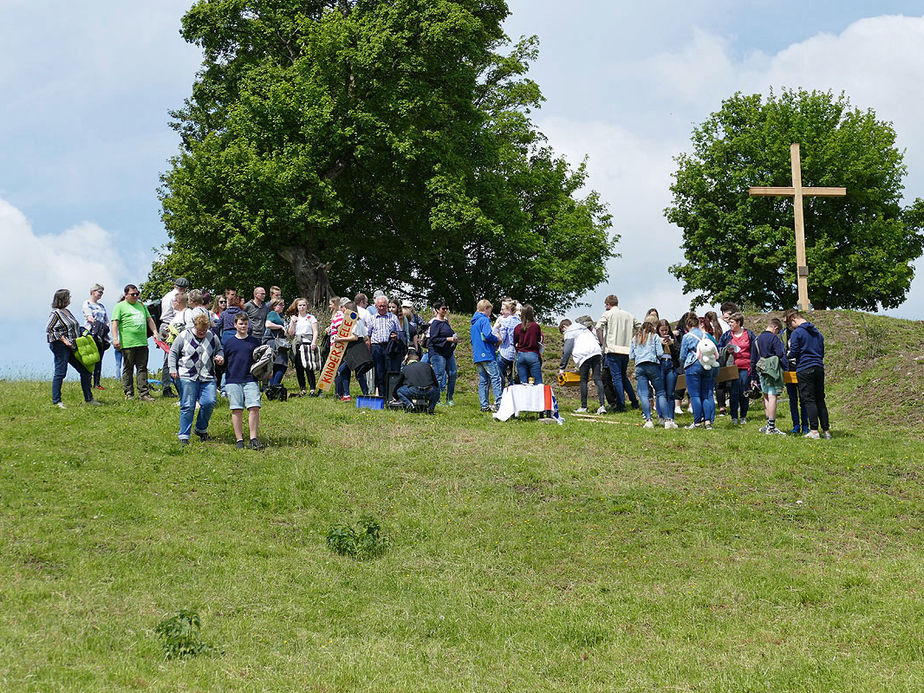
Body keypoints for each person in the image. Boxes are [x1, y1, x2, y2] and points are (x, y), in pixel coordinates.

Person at [169, 312, 224, 445]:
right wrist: (172, 368)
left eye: (204, 330)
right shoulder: (184, 335)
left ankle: (200, 428)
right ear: (194, 326)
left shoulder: (212, 336)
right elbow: (173, 352)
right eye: (199, 330)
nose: (202, 333)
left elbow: (219, 349)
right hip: (187, 375)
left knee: (210, 402)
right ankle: (184, 435)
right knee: (188, 405)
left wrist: (220, 357)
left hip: (208, 375)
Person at [46, 289, 99, 408]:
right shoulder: (56, 314)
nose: (69, 299)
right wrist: (64, 340)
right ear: (62, 299)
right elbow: (49, 330)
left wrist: (84, 332)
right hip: (61, 346)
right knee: (61, 372)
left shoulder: (68, 312)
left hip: (73, 346)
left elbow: (74, 327)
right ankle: (57, 401)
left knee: (85, 371)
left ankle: (89, 399)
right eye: (68, 297)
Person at [785, 310, 831, 439]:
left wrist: (789, 354)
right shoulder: (818, 333)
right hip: (818, 367)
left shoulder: (797, 333)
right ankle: (826, 431)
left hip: (804, 368)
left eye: (790, 324)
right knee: (820, 399)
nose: (790, 327)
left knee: (809, 400)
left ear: (794, 319)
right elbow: (821, 352)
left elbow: (793, 351)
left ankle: (814, 430)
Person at [111, 284, 160, 402]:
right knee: (128, 368)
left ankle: (144, 394)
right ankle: (129, 394)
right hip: (128, 343)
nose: (135, 296)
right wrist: (115, 338)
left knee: (142, 368)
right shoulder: (120, 306)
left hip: (142, 342)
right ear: (126, 295)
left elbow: (149, 320)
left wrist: (155, 332)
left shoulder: (141, 305)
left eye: (137, 294)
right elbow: (115, 323)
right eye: (132, 294)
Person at [223, 312, 264, 449]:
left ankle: (253, 438)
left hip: (250, 378)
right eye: (240, 323)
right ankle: (239, 440)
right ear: (235, 325)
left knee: (254, 407)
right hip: (233, 379)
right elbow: (223, 363)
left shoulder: (254, 342)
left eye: (245, 324)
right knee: (237, 409)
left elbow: (262, 360)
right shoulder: (228, 343)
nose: (243, 326)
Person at [595, 295, 640, 412]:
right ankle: (634, 401)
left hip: (612, 349)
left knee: (617, 378)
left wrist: (602, 343)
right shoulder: (629, 315)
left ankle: (621, 404)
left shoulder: (608, 314)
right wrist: (633, 339)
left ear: (608, 304)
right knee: (623, 376)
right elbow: (640, 327)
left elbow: (598, 328)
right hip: (626, 349)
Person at [630, 320, 676, 428]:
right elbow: (660, 353)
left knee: (644, 394)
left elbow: (631, 356)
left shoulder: (635, 338)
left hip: (640, 367)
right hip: (652, 365)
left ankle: (648, 420)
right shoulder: (654, 337)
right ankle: (667, 420)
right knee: (660, 392)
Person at [717, 312, 758, 425]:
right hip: (732, 367)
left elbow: (755, 350)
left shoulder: (748, 334)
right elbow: (719, 347)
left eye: (732, 322)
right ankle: (734, 416)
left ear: (738, 322)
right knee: (733, 392)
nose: (729, 324)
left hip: (746, 367)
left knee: (744, 392)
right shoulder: (727, 335)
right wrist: (726, 350)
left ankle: (743, 416)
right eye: (729, 322)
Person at [558, 318, 606, 415]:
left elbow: (567, 350)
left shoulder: (569, 331)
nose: (564, 334)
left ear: (564, 327)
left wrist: (562, 368)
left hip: (584, 355)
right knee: (597, 379)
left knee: (583, 380)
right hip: (596, 352)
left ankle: (584, 407)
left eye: (563, 332)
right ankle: (602, 406)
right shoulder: (582, 327)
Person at [679, 314, 718, 429]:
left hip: (693, 365)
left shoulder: (687, 337)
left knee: (695, 395)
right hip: (707, 365)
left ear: (688, 324)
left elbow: (682, 355)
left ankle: (697, 422)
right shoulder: (706, 335)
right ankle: (708, 422)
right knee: (706, 394)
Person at [755, 318, 789, 435]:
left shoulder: (758, 338)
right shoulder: (773, 337)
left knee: (766, 396)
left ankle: (767, 423)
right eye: (778, 331)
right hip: (772, 369)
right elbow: (780, 353)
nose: (778, 333)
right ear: (775, 327)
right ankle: (772, 427)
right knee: (773, 396)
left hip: (761, 367)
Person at [334, 301, 372, 401]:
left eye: (345, 309)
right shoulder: (360, 321)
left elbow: (354, 337)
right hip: (358, 348)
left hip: (356, 348)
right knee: (351, 372)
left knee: (344, 371)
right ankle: (358, 394)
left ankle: (357, 394)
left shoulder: (354, 321)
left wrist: (340, 339)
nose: (343, 311)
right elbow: (366, 336)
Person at [159, 277, 190, 397]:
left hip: (165, 324)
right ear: (185, 288)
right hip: (171, 326)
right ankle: (167, 387)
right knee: (170, 357)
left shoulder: (167, 295)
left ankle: (169, 386)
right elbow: (176, 315)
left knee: (169, 357)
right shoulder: (176, 297)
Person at [471, 299, 502, 412]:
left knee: (483, 380)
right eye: (490, 310)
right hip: (487, 354)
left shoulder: (474, 322)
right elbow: (487, 335)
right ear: (485, 309)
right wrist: (497, 339)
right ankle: (499, 403)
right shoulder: (484, 320)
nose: (490, 313)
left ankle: (484, 405)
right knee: (495, 378)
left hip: (478, 355)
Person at [368, 295, 402, 396]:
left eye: (383, 306)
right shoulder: (372, 318)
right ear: (376, 306)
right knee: (379, 372)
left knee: (390, 371)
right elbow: (368, 336)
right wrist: (369, 350)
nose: (381, 308)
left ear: (387, 306)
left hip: (390, 347)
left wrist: (396, 337)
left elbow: (400, 332)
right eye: (379, 306)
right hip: (376, 347)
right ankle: (382, 396)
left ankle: (390, 395)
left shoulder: (393, 318)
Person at [428, 300, 459, 406]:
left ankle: (449, 398)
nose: (445, 311)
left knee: (453, 373)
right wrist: (447, 339)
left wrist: (454, 339)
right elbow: (433, 340)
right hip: (437, 353)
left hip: (448, 352)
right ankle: (435, 399)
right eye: (443, 309)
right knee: (439, 375)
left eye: (446, 308)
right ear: (437, 310)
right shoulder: (435, 323)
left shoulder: (445, 322)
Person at [287, 297, 319, 396]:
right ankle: (303, 389)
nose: (302, 307)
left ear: (306, 306)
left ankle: (312, 389)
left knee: (309, 367)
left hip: (307, 343)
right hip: (298, 344)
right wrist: (292, 322)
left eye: (303, 305)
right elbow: (290, 333)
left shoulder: (310, 318)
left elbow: (315, 331)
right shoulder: (295, 318)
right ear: (297, 307)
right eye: (300, 305)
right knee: (299, 367)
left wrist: (314, 342)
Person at [81, 283, 109, 390]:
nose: (101, 294)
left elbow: (106, 320)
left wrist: (105, 328)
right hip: (91, 332)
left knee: (99, 358)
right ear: (93, 292)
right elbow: (89, 318)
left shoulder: (102, 306)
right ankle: (87, 381)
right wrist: (98, 325)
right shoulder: (87, 303)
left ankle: (97, 382)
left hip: (102, 334)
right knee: (91, 358)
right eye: (100, 292)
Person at [656, 319, 680, 422]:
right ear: (658, 330)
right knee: (660, 392)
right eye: (662, 330)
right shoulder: (655, 339)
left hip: (671, 365)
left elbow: (678, 352)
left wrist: (671, 344)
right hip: (660, 365)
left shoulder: (673, 338)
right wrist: (660, 343)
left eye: (666, 330)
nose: (664, 332)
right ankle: (661, 416)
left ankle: (671, 417)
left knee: (670, 393)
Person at [262, 297, 290, 387]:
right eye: (280, 305)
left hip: (276, 342)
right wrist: (280, 327)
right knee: (281, 365)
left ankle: (273, 388)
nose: (283, 306)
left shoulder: (279, 316)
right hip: (274, 343)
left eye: (283, 305)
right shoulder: (273, 313)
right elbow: (268, 324)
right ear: (274, 306)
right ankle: (275, 386)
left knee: (275, 366)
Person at [513, 304, 543, 385]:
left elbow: (514, 342)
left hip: (521, 355)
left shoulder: (517, 327)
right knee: (538, 383)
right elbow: (539, 339)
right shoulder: (535, 326)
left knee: (523, 384)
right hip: (532, 354)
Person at [494, 298, 520, 388]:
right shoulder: (519, 321)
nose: (501, 312)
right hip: (515, 353)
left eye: (503, 309)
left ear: (509, 310)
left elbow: (501, 339)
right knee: (512, 378)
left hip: (504, 352)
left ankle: (500, 398)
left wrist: (495, 330)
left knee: (500, 377)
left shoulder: (505, 321)